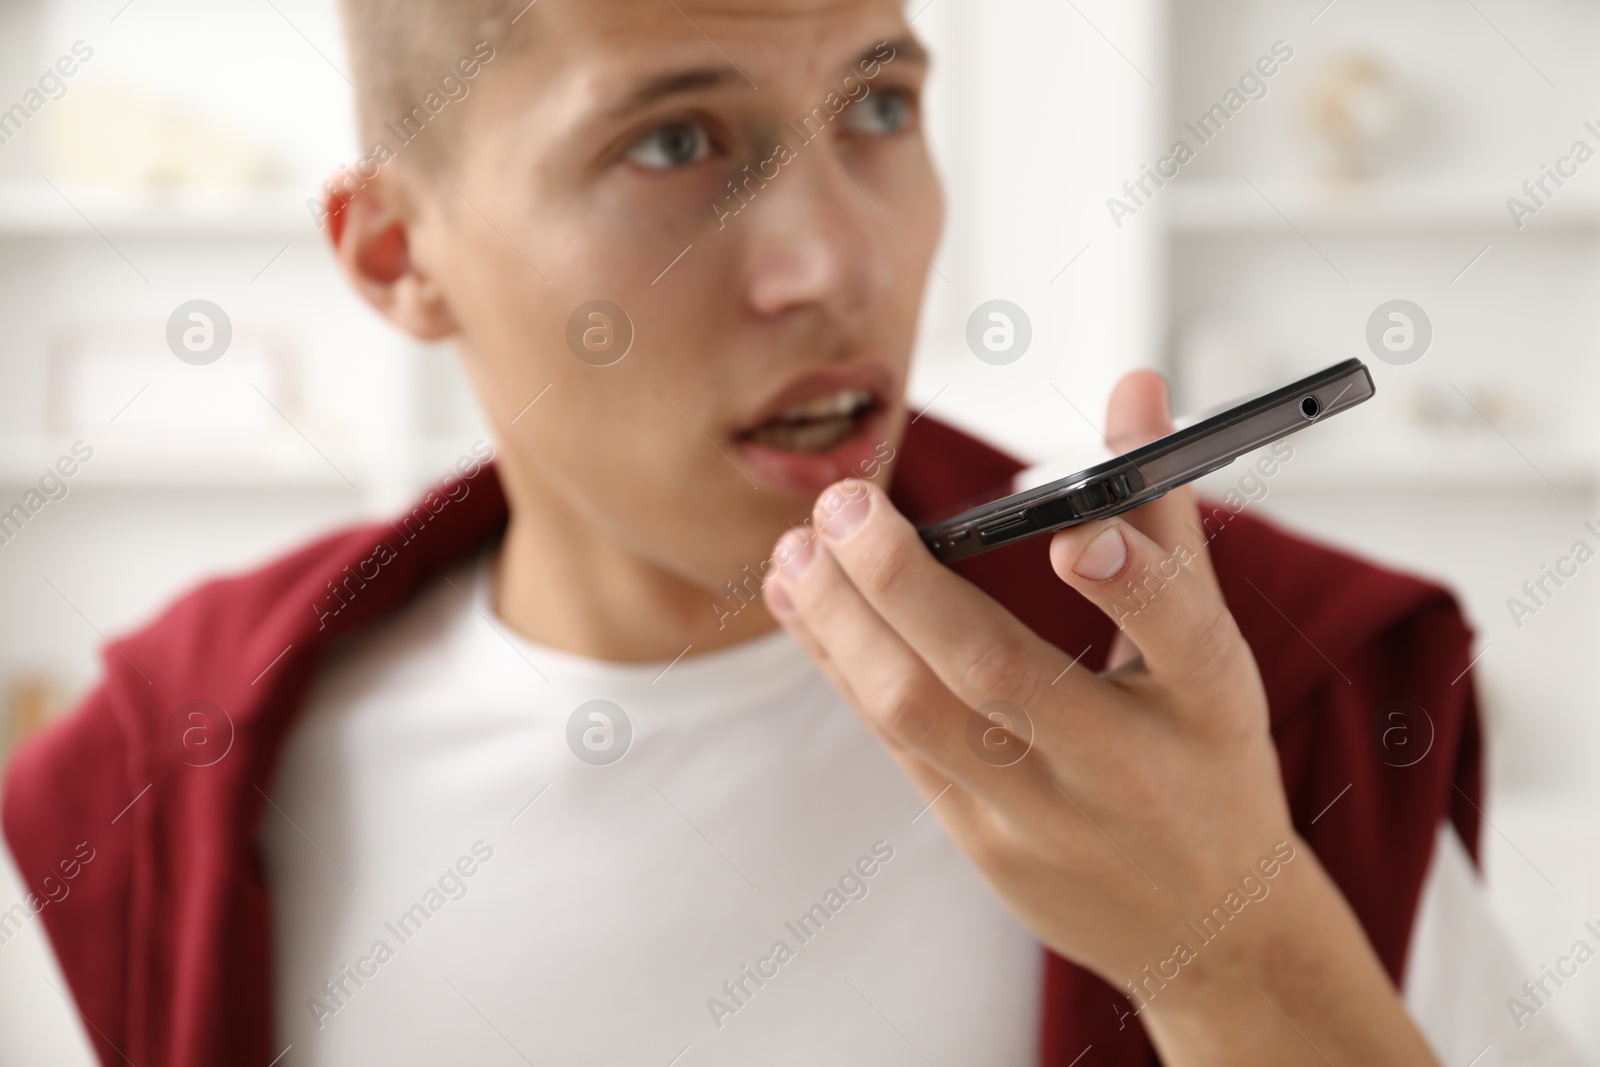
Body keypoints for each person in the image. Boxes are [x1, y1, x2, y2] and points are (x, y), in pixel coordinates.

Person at [1, 1, 1585, 1065]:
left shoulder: (1256, 709)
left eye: (880, 105)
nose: (837, 259)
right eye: (675, 143)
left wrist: (1229, 946)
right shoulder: (145, 796)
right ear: (400, 253)